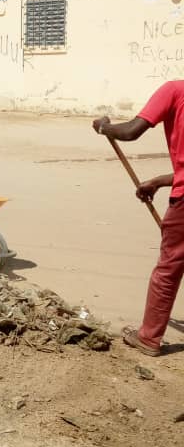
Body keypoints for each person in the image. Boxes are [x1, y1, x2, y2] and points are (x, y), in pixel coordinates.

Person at [94, 81, 184, 357]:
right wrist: (158, 181)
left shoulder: (174, 90)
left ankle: (148, 337)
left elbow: (132, 131)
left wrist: (104, 127)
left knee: (168, 269)